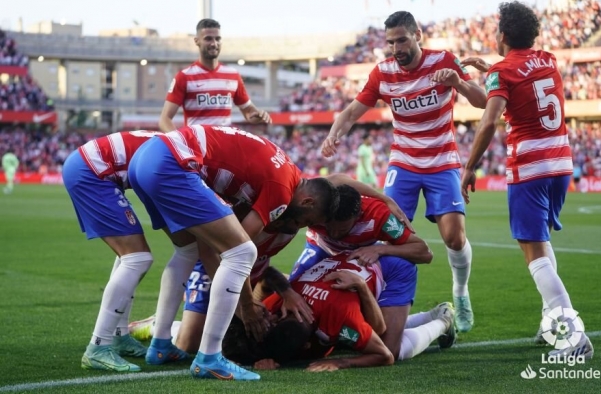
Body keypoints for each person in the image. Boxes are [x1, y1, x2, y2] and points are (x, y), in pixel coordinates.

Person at [127, 124, 340, 381]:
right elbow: (229, 251)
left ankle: (160, 343)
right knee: (241, 252)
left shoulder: (286, 172)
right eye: (305, 221)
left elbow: (210, 248)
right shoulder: (282, 190)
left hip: (145, 159)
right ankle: (209, 359)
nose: (298, 226)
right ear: (308, 202)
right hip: (172, 162)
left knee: (186, 250)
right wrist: (247, 306)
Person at [321, 11, 487, 332]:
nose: (396, 48)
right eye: (390, 42)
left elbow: (482, 101)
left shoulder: (443, 61)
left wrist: (458, 83)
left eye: (401, 40)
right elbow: (353, 110)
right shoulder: (382, 73)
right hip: (404, 164)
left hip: (442, 162)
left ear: (417, 35)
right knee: (388, 234)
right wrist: (333, 134)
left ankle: (461, 292)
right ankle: (388, 308)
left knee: (454, 238)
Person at [460, 1, 593, 359]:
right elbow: (524, 82)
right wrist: (491, 71)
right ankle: (553, 319)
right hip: (561, 165)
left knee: (532, 251)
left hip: (530, 167)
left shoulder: (503, 72)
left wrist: (470, 166)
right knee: (541, 241)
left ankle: (572, 335)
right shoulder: (548, 59)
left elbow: (489, 120)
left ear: (502, 34)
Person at [223, 253, 456, 371]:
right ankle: (430, 315)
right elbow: (268, 280)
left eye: (270, 321)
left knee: (392, 347)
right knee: (347, 336)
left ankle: (443, 320)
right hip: (337, 277)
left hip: (387, 270)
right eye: (271, 324)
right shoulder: (282, 304)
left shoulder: (337, 317)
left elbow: (383, 348)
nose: (270, 318)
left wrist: (341, 363)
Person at [289, 184, 438, 360]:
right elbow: (337, 179)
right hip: (320, 252)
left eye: (343, 229)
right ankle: (413, 320)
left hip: (367, 263)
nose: (335, 234)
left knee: (388, 348)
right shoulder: (320, 204)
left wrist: (380, 250)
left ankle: (442, 321)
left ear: (359, 216)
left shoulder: (378, 215)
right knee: (295, 298)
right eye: (328, 226)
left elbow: (425, 253)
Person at [62, 130, 162, 372]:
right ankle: (98, 346)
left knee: (130, 256)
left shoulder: (176, 143)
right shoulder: (186, 156)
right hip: (92, 172)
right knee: (137, 258)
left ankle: (118, 335)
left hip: (89, 167)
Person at [158, 18, 271, 132]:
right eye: (208, 39)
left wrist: (256, 115)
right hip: (197, 147)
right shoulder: (184, 77)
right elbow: (164, 119)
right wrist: (180, 142)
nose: (214, 43)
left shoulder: (233, 75)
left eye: (218, 39)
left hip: (224, 145)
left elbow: (248, 110)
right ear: (197, 41)